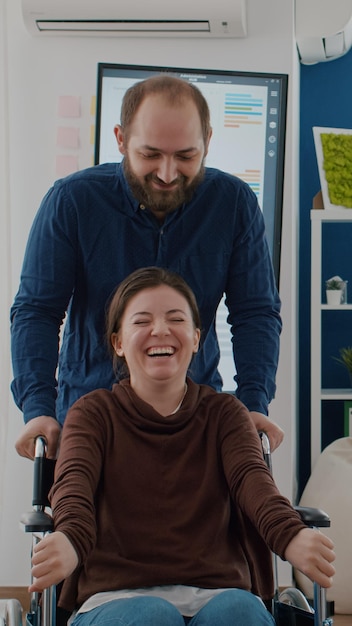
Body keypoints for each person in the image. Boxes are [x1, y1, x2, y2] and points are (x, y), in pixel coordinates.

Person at [29, 267, 335, 626]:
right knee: (151, 616)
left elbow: (254, 482)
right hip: (114, 596)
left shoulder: (225, 414)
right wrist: (69, 539)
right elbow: (73, 486)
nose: (160, 330)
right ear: (118, 342)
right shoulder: (93, 414)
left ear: (195, 337)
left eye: (176, 319)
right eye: (142, 321)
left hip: (218, 592)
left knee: (241, 613)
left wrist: (290, 534)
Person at [11, 74, 284, 461]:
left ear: (208, 140)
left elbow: (255, 312)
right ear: (121, 139)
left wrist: (253, 402)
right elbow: (37, 311)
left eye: (186, 156)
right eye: (150, 155)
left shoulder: (234, 204)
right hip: (89, 424)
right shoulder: (71, 202)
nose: (168, 174)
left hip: (194, 423)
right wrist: (37, 408)